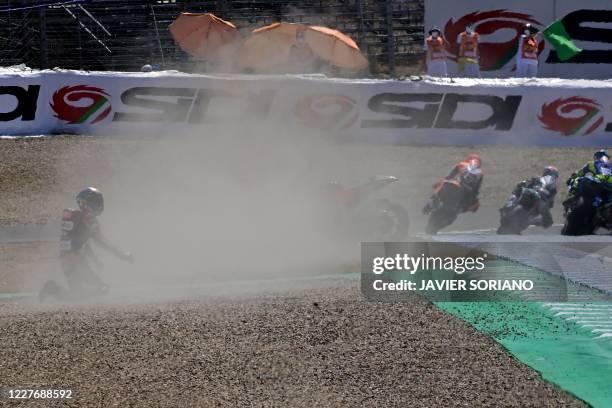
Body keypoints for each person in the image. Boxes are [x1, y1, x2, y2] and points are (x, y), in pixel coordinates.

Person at [39, 187, 133, 302]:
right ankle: (52, 288)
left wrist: (94, 259)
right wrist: (122, 254)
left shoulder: (75, 216)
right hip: (76, 261)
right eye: (95, 202)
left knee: (77, 295)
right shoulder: (87, 219)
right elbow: (101, 242)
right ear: (86, 203)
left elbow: (82, 241)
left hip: (67, 261)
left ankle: (52, 289)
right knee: (100, 289)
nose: (98, 205)